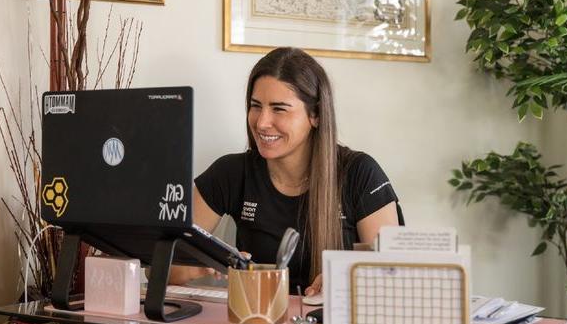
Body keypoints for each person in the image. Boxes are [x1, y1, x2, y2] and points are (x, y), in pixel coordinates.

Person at [170, 47, 401, 295]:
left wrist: (345, 277)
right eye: (256, 106)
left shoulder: (360, 174)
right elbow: (160, 265)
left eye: (279, 108)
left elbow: (393, 275)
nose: (261, 122)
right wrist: (207, 264)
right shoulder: (231, 172)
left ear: (316, 115)